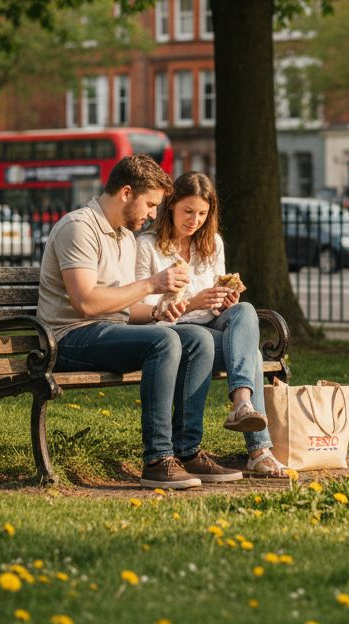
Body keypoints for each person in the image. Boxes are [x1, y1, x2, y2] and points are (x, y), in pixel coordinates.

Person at [37, 155, 242, 490]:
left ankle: (187, 451)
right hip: (68, 339)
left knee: (196, 338)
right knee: (165, 341)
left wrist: (160, 312)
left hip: (107, 331)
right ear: (127, 193)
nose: (152, 214)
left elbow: (124, 307)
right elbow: (86, 303)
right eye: (150, 204)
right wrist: (152, 285)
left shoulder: (124, 237)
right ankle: (158, 459)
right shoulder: (80, 227)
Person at [135, 172, 289, 478]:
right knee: (254, 356)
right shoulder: (148, 246)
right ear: (171, 206)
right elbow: (143, 309)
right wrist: (193, 302)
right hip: (172, 334)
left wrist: (223, 300)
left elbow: (217, 302)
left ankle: (242, 404)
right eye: (188, 211)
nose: (195, 220)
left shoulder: (212, 244)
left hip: (211, 326)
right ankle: (258, 452)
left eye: (202, 214)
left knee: (244, 309)